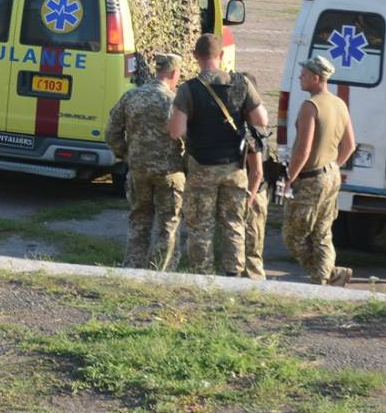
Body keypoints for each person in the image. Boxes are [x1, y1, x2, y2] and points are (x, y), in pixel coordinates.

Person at [168, 33, 270, 277]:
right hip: (235, 168)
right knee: (234, 224)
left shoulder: (189, 89)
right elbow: (262, 121)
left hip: (202, 167)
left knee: (200, 226)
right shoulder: (241, 84)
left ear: (196, 57)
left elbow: (176, 131)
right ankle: (233, 275)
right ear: (221, 55)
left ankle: (202, 275)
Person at [106, 52, 185, 271]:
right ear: (174, 72)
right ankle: (160, 271)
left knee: (139, 220)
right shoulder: (175, 101)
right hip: (169, 172)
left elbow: (111, 132)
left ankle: (132, 268)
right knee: (168, 224)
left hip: (138, 170)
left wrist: (127, 155)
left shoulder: (132, 97)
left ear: (157, 70)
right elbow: (188, 137)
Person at [283, 54, 356, 287]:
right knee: (322, 233)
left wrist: (288, 179)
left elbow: (302, 151)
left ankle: (323, 278)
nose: (300, 77)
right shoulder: (339, 104)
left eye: (304, 75)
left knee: (294, 234)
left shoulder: (310, 106)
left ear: (316, 78)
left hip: (312, 178)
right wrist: (334, 165)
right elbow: (350, 145)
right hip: (331, 175)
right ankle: (327, 277)